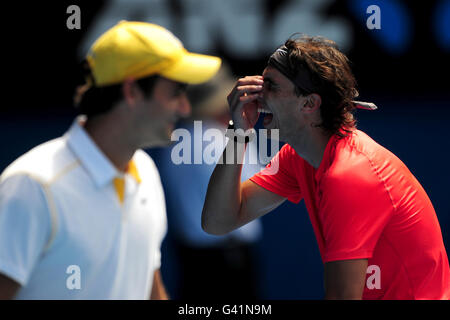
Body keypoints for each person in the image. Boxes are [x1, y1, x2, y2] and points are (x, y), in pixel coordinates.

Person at [201, 35, 450, 299]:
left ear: (309, 103)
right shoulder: (299, 157)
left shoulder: (350, 175)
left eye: (271, 86)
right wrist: (237, 133)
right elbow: (218, 222)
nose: (258, 96)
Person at [0, 20, 221, 299]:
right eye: (175, 92)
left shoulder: (146, 171)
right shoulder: (31, 186)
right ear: (131, 92)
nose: (185, 107)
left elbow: (149, 287)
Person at [153, 64, 263, 299]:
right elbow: (257, 189)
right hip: (226, 263)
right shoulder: (224, 137)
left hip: (191, 260)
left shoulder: (175, 141)